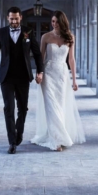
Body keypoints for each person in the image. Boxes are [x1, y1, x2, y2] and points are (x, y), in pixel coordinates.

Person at [0, 7, 44, 154]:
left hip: (23, 76)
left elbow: (37, 54)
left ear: (20, 18)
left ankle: (20, 132)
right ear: (8, 18)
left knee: (23, 108)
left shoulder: (28, 32)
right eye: (11, 19)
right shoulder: (1, 33)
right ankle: (12, 142)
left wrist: (40, 72)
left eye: (16, 19)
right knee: (8, 108)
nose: (14, 21)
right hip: (6, 77)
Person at [31, 10, 85, 151]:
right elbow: (40, 58)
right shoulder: (46, 37)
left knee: (60, 106)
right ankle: (57, 141)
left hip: (62, 75)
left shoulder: (70, 37)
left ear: (62, 22)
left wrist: (74, 80)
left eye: (56, 21)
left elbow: (71, 59)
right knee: (51, 107)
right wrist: (39, 74)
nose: (53, 24)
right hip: (48, 74)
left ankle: (58, 135)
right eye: (52, 21)